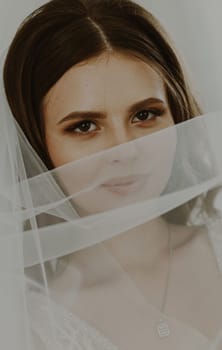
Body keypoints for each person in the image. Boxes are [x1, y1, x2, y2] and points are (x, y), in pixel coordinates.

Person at [1, 0, 222, 349]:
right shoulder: (30, 326)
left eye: (145, 115)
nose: (125, 151)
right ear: (36, 144)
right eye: (85, 126)